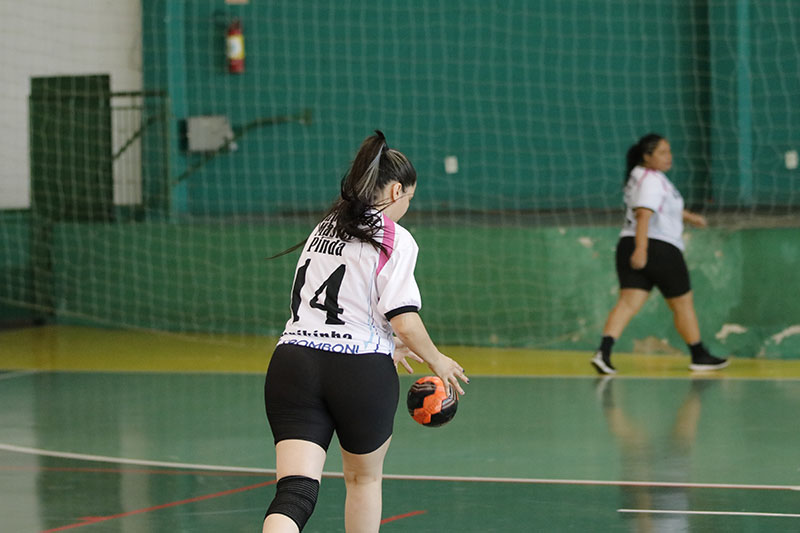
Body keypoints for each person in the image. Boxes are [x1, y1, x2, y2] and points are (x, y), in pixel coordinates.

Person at [262, 130, 469, 532]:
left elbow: (343, 302)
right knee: (363, 480)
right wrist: (438, 360)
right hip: (357, 371)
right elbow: (404, 319)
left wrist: (384, 342)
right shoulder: (396, 238)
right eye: (409, 199)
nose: (407, 207)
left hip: (293, 364)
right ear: (395, 191)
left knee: (296, 492)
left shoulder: (325, 224)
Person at [591, 133, 728, 375]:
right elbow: (644, 214)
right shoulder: (652, 181)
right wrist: (641, 249)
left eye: (669, 151)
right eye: (662, 152)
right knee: (682, 303)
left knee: (628, 303)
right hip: (658, 247)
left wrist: (690, 217)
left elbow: (662, 207)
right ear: (647, 156)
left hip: (628, 242)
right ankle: (699, 355)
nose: (669, 157)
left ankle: (604, 352)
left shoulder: (642, 177)